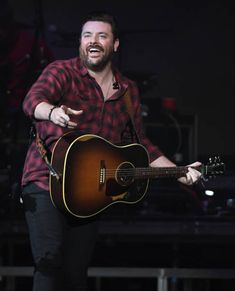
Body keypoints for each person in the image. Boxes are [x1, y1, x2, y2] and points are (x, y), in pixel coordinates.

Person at [21, 11, 201, 291]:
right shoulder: (62, 71)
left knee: (76, 273)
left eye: (101, 36)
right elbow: (32, 100)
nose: (93, 41)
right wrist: (53, 112)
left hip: (90, 191)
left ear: (115, 45)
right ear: (80, 43)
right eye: (87, 35)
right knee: (49, 261)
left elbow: (141, 144)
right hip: (47, 182)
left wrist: (179, 172)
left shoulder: (127, 90)